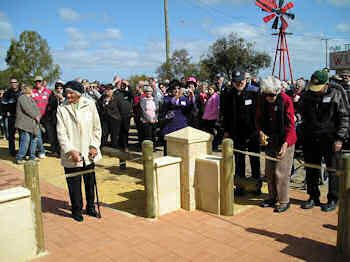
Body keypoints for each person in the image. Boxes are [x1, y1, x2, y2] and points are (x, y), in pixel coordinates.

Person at [299, 70, 349, 212]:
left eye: (319, 88)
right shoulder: (308, 93)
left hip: (331, 138)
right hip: (311, 136)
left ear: (327, 84)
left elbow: (345, 116)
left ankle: (333, 198)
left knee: (333, 170)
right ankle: (313, 196)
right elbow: (301, 111)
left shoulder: (337, 92)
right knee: (311, 168)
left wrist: (339, 138)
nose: (316, 91)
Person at [56, 80, 102, 222]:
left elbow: (96, 128)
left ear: (78, 93)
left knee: (90, 183)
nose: (67, 95)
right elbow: (61, 133)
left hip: (89, 153)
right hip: (72, 154)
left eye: (71, 93)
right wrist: (70, 150)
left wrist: (94, 146)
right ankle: (76, 209)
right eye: (66, 93)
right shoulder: (61, 108)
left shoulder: (90, 105)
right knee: (74, 184)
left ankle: (90, 207)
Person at [256, 76, 297, 213]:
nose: (269, 98)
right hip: (270, 139)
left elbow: (291, 125)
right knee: (269, 171)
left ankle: (284, 200)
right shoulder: (263, 100)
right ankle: (271, 197)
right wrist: (260, 132)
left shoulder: (286, 100)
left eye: (272, 95)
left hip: (285, 140)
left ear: (278, 92)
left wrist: (286, 144)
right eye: (266, 95)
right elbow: (258, 119)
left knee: (281, 172)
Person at [223, 68, 261, 194]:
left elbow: (259, 114)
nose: (239, 83)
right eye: (236, 81)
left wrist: (260, 131)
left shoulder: (254, 93)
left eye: (241, 81)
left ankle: (256, 186)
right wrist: (226, 132)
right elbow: (226, 115)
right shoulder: (228, 94)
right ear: (232, 82)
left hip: (252, 133)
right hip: (236, 134)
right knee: (239, 162)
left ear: (246, 80)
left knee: (254, 161)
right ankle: (240, 186)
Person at [15, 85, 41, 164]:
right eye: (31, 89)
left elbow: (36, 109)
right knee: (25, 141)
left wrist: (38, 115)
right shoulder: (22, 98)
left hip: (33, 124)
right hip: (24, 124)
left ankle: (32, 157)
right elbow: (27, 109)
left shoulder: (31, 99)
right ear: (28, 90)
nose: (33, 90)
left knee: (34, 141)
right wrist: (35, 116)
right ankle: (20, 157)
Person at [32, 75, 51, 158]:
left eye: (39, 81)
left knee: (49, 134)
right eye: (36, 82)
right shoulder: (32, 92)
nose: (38, 83)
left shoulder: (48, 92)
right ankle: (41, 151)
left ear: (42, 82)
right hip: (36, 117)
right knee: (38, 134)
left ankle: (54, 149)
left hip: (47, 117)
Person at [44, 80, 65, 155]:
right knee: (53, 135)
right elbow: (50, 106)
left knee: (61, 136)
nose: (59, 89)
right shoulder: (52, 95)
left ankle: (60, 150)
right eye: (57, 88)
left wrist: (62, 99)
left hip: (63, 120)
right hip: (53, 118)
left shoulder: (65, 96)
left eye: (61, 88)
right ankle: (54, 149)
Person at [1, 77, 21, 156]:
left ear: (17, 83)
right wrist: (6, 112)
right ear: (10, 84)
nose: (13, 84)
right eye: (12, 82)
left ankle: (21, 150)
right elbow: (3, 105)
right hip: (11, 117)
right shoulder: (7, 93)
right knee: (11, 135)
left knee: (21, 135)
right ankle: (12, 151)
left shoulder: (21, 92)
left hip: (20, 117)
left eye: (15, 82)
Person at [97, 84, 121, 148]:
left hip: (115, 119)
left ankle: (114, 149)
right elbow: (98, 106)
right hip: (104, 119)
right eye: (106, 89)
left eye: (109, 89)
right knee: (104, 135)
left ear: (112, 90)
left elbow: (121, 108)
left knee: (114, 136)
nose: (107, 91)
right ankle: (103, 148)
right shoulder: (102, 97)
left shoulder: (117, 98)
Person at [114, 79, 135, 152]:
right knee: (118, 132)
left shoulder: (128, 93)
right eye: (121, 84)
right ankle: (120, 146)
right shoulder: (116, 93)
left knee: (126, 131)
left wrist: (128, 85)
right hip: (118, 115)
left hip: (127, 116)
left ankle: (125, 146)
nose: (122, 86)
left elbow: (133, 95)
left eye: (124, 85)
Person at [202, 85, 220, 151]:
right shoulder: (211, 96)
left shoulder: (216, 96)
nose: (209, 91)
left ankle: (214, 147)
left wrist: (208, 115)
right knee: (210, 133)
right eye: (209, 89)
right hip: (208, 118)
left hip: (212, 118)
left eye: (211, 89)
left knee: (213, 133)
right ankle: (212, 146)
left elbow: (215, 108)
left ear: (214, 89)